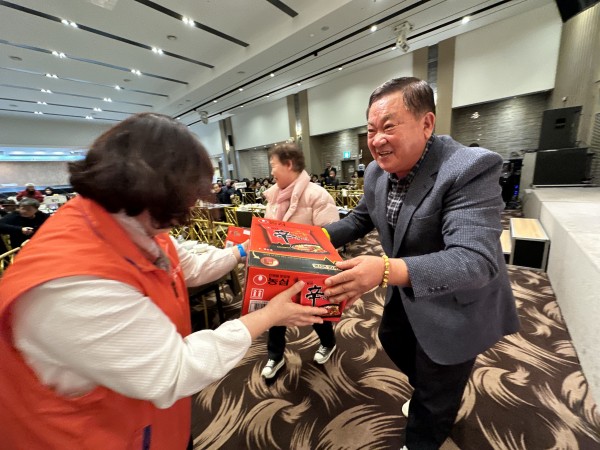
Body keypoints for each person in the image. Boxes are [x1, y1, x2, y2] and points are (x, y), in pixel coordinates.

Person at [0, 113, 328, 449]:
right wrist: (268, 315)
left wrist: (242, 251)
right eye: (187, 196)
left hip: (149, 422)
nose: (190, 208)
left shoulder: (125, 221)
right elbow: (175, 371)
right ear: (155, 190)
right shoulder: (73, 284)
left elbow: (190, 266)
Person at [322, 78, 519, 450]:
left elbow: (475, 260)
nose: (377, 140)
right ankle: (436, 395)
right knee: (392, 339)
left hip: (458, 302)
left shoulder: (469, 167)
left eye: (389, 127)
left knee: (433, 397)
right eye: (371, 130)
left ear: (427, 124)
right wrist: (309, 238)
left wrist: (384, 270)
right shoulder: (376, 172)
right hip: (409, 291)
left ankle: (429, 421)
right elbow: (360, 219)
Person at [261, 143, 340, 379]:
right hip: (279, 265)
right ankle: (275, 356)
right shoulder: (274, 196)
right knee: (276, 311)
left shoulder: (317, 195)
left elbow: (332, 236)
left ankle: (328, 342)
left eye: (273, 165)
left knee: (315, 309)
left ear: (289, 164)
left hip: (310, 269)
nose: (271, 172)